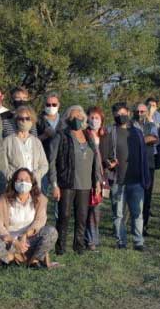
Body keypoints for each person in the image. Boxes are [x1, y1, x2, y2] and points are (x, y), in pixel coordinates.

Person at [48, 106, 103, 255]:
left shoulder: (88, 136)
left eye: (80, 115)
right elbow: (52, 161)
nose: (77, 118)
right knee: (64, 215)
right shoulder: (61, 136)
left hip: (85, 184)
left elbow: (95, 160)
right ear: (67, 119)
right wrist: (54, 184)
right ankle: (60, 248)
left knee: (82, 216)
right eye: (73, 116)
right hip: (66, 183)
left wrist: (97, 180)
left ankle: (79, 246)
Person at [100, 103, 152, 251]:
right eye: (117, 114)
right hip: (118, 180)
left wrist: (145, 177)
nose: (120, 116)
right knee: (118, 214)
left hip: (136, 180)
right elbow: (104, 156)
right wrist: (108, 164)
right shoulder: (110, 132)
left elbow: (143, 157)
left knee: (138, 214)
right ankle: (121, 241)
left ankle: (138, 242)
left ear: (128, 113)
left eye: (123, 113)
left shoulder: (137, 132)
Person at [0, 168, 59, 267]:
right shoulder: (4, 199)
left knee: (51, 232)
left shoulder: (40, 199)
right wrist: (14, 242)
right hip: (9, 240)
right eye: (19, 180)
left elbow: (40, 221)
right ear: (14, 182)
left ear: (32, 182)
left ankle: (33, 260)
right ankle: (13, 257)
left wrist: (25, 235)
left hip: (29, 239)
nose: (23, 182)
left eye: (27, 179)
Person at [4, 105, 49, 190]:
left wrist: (34, 176)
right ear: (16, 121)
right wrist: (15, 177)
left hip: (34, 186)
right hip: (14, 186)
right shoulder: (8, 141)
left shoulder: (37, 142)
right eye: (21, 119)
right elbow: (3, 166)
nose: (24, 121)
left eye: (28, 118)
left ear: (32, 120)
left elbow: (44, 165)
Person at [143, 97, 160, 228]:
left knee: (148, 189)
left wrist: (158, 142)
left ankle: (145, 222)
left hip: (152, 156)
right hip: (139, 156)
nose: (151, 107)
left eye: (154, 105)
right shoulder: (140, 117)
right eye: (149, 105)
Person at [83, 107, 107, 250]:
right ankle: (89, 240)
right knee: (88, 209)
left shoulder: (105, 136)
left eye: (97, 118)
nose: (94, 120)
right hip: (88, 176)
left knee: (97, 209)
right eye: (91, 117)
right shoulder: (84, 135)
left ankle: (94, 238)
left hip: (103, 177)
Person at [35, 91, 62, 193]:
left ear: (58, 105)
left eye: (54, 104)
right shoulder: (37, 121)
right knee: (42, 194)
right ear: (44, 105)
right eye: (48, 104)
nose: (51, 107)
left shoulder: (64, 121)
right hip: (43, 162)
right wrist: (44, 135)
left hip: (60, 164)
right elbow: (31, 141)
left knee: (59, 198)